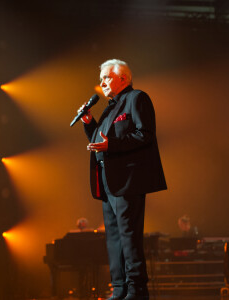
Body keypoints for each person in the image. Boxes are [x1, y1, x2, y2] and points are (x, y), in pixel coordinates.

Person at [77, 59, 167, 300]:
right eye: (101, 79)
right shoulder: (110, 107)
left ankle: (136, 289)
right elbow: (101, 139)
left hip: (128, 180)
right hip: (108, 181)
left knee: (129, 234)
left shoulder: (137, 98)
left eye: (107, 77)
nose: (102, 83)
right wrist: (89, 124)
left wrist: (112, 144)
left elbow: (145, 134)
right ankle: (119, 289)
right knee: (114, 236)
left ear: (123, 78)